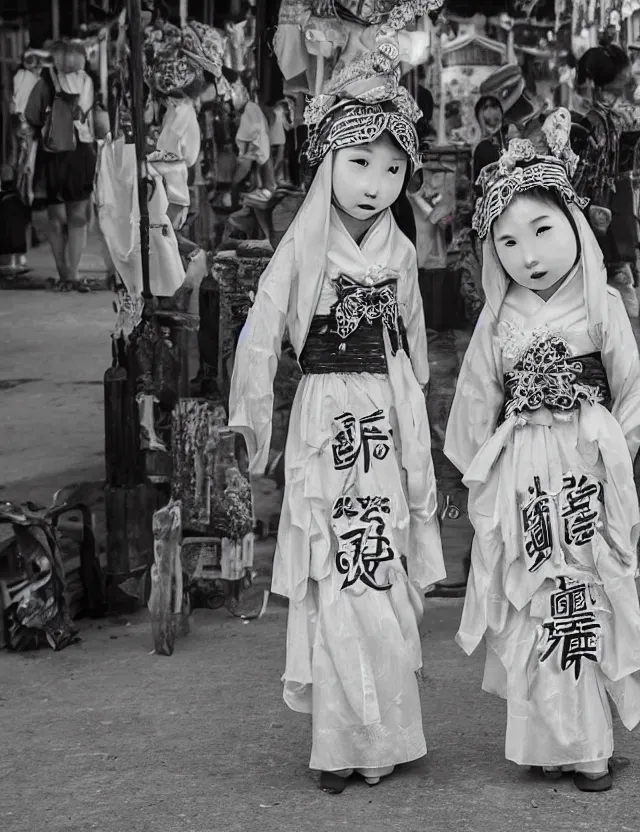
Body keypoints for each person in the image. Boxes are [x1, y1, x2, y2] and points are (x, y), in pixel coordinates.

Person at [228, 94, 445, 793]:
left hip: (383, 416)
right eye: (359, 163)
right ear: (328, 162)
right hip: (327, 420)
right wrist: (248, 420)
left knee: (378, 565)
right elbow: (261, 335)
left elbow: (414, 350)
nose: (375, 182)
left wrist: (422, 436)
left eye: (391, 168)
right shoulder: (302, 248)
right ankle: (340, 740)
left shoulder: (403, 250)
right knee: (334, 566)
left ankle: (386, 736)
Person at [444, 111, 640, 794]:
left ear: (575, 226)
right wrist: (479, 474)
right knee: (534, 592)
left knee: (580, 587)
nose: (528, 255)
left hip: (584, 466)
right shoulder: (499, 318)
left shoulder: (601, 301)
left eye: (542, 231)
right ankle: (542, 742)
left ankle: (588, 744)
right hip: (527, 468)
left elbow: (632, 389)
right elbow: (475, 398)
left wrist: (616, 458)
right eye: (508, 242)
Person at [572, 43, 640, 318]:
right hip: (614, 211)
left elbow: (580, 178)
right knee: (619, 294)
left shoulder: (595, 120)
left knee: (603, 293)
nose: (630, 73)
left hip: (601, 211)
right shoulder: (618, 118)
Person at [24, 41, 97, 292]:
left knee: (57, 218)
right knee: (78, 218)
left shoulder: (46, 81)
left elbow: (31, 116)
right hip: (82, 153)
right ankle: (73, 274)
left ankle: (64, 273)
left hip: (52, 154)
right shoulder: (91, 81)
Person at [472, 94, 506, 184]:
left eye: (496, 119)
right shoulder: (484, 147)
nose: (490, 111)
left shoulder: (500, 142)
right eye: (486, 107)